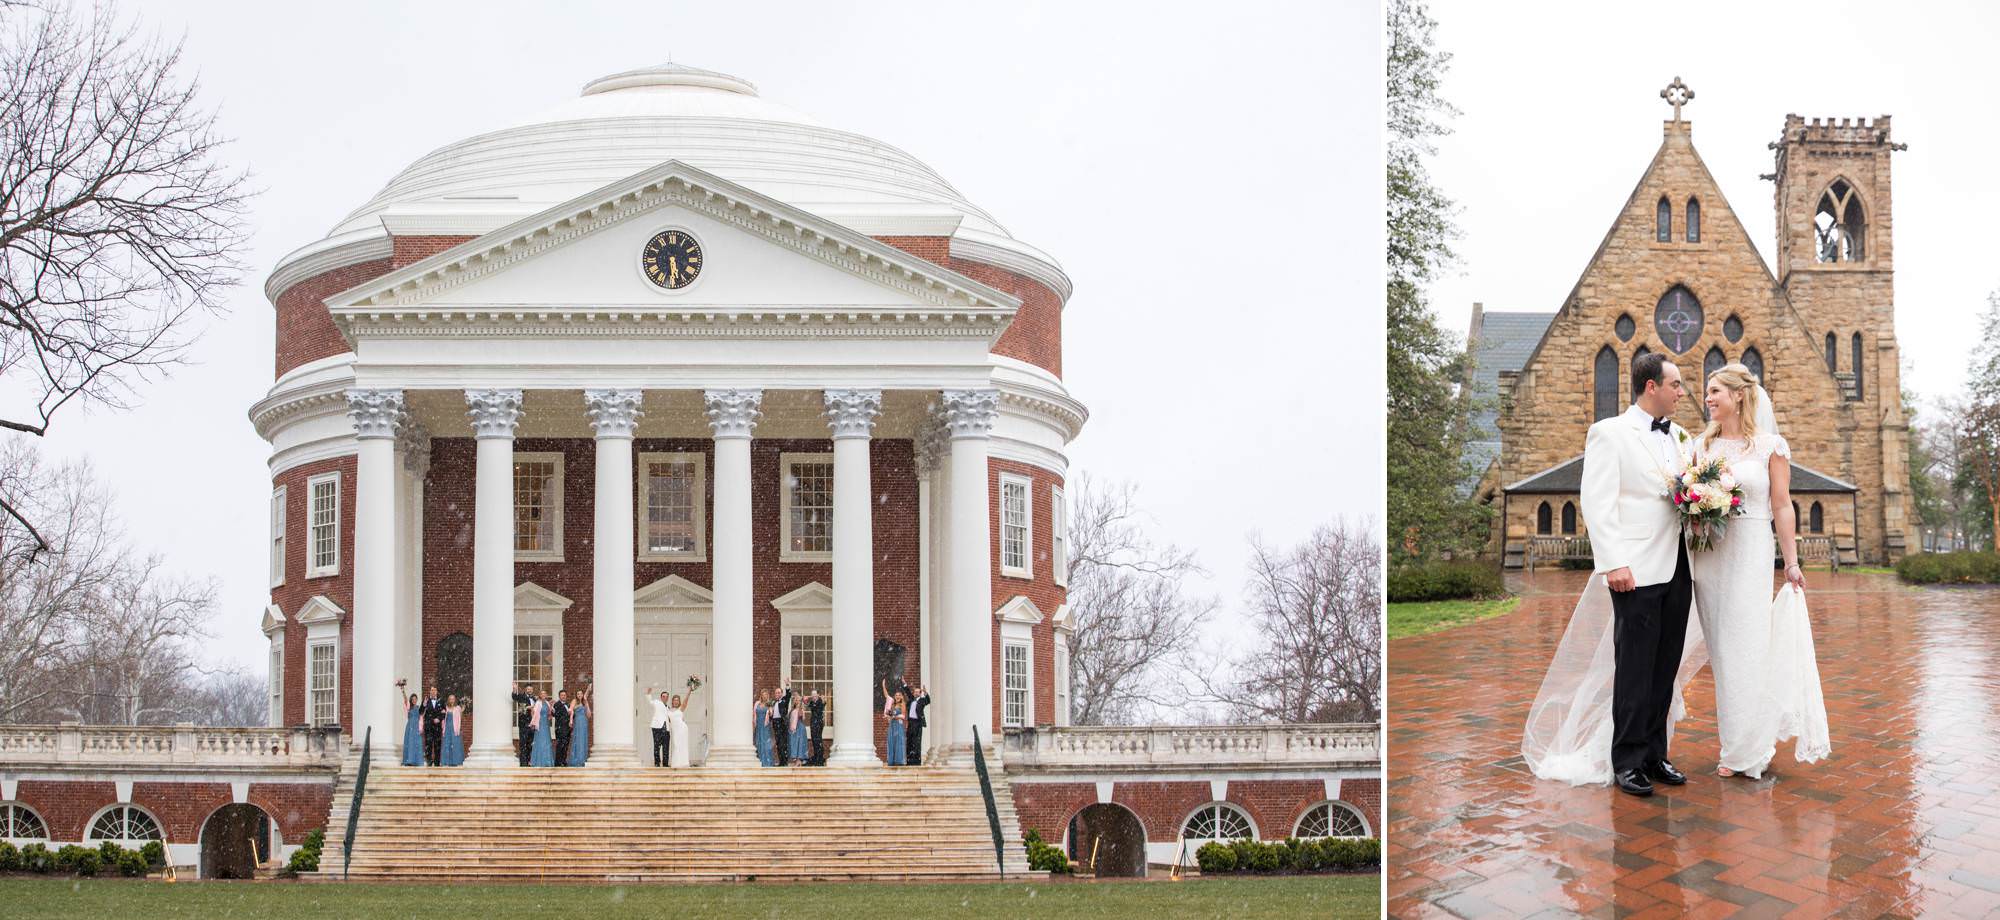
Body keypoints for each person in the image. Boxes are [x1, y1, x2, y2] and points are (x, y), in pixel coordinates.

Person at [1523, 353, 1699, 796]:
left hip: (1680, 566)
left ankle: (1657, 754)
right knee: (1635, 667)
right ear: (1650, 387)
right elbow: (1597, 502)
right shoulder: (1609, 434)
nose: (1682, 392)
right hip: (1635, 569)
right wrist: (1614, 562)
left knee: (1666, 666)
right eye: (1675, 384)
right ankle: (1628, 760)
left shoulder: (1681, 436)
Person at [1688, 365, 1829, 779]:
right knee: (1720, 651)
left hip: (1750, 551)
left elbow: (1782, 505)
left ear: (1738, 396)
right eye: (1707, 392)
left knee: (1744, 647)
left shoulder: (1771, 446)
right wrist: (1694, 510)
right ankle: (1735, 741)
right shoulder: (1701, 445)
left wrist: (1791, 562)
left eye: (1715, 391)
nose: (1708, 398)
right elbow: (1686, 497)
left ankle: (1745, 749)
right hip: (1710, 555)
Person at [666, 685, 696, 768]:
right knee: (676, 745)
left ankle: (683, 763)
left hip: (682, 729)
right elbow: (667, 720)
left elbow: (686, 701)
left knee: (682, 745)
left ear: (679, 701)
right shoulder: (668, 710)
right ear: (672, 701)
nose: (676, 701)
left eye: (677, 700)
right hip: (675, 730)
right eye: (674, 700)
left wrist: (689, 691)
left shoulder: (681, 708)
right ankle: (676, 763)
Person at [511, 683, 537, 767]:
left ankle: (529, 762)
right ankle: (523, 763)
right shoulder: (522, 696)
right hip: (524, 724)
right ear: (526, 689)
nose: (530, 690)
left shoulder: (534, 698)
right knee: (523, 744)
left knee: (530, 744)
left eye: (531, 689)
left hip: (532, 724)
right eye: (528, 689)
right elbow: (514, 697)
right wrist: (515, 689)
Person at [645, 687, 673, 767]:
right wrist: (648, 693)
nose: (665, 698)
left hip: (666, 728)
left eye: (667, 697)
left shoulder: (668, 708)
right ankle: (657, 763)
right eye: (663, 696)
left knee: (666, 747)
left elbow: (670, 718)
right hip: (657, 727)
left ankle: (665, 764)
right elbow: (650, 702)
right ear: (661, 697)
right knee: (657, 746)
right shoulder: (657, 702)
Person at [420, 685, 446, 767]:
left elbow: (444, 713)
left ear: (437, 691)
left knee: (437, 745)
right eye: (432, 690)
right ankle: (429, 762)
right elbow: (420, 712)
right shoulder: (426, 701)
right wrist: (424, 704)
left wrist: (439, 719)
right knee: (428, 744)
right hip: (428, 727)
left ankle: (437, 762)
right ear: (430, 691)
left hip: (437, 727)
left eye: (435, 690)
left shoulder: (441, 701)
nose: (433, 691)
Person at [528, 690, 555, 767]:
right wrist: (534, 722)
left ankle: (547, 761)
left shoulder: (547, 703)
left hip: (546, 724)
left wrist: (551, 707)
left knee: (546, 741)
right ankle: (539, 761)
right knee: (540, 741)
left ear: (546, 695)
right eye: (542, 693)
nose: (543, 695)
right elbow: (533, 713)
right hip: (539, 724)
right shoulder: (538, 703)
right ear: (540, 695)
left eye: (545, 693)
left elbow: (549, 715)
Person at [905, 684, 929, 766]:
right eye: (915, 692)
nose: (915, 693)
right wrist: (905, 684)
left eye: (917, 692)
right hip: (910, 722)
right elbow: (908, 692)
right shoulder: (912, 700)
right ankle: (909, 760)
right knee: (909, 740)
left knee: (917, 741)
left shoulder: (922, 700)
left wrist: (925, 693)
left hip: (918, 722)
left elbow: (928, 700)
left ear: (920, 693)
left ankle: (916, 760)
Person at [567, 688, 591, 767]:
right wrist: (571, 720)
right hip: (577, 722)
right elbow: (571, 711)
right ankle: (576, 759)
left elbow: (589, 715)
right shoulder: (574, 701)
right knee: (577, 739)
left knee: (583, 739)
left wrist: (587, 704)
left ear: (582, 694)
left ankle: (583, 759)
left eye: (580, 693)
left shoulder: (585, 702)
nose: (579, 695)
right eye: (578, 694)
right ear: (576, 695)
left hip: (584, 722)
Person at [400, 691, 424, 766]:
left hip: (417, 727)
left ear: (417, 700)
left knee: (417, 743)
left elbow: (421, 717)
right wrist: (403, 691)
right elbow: (405, 700)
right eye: (413, 699)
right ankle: (409, 760)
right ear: (411, 700)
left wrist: (421, 727)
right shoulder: (409, 707)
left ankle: (416, 760)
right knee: (410, 742)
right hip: (410, 726)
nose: (414, 700)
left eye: (415, 699)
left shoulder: (419, 707)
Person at [441, 694, 466, 767]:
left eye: (453, 699)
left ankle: (455, 761)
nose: (452, 700)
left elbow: (459, 717)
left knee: (455, 745)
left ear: (455, 700)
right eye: (450, 699)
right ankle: (447, 761)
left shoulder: (457, 708)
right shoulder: (445, 708)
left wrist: (462, 710)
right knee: (447, 745)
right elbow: (443, 719)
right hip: (447, 728)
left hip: (454, 728)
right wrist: (443, 728)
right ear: (448, 700)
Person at [884, 690, 907, 766]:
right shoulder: (892, 705)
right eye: (896, 695)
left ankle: (899, 760)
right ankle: (892, 760)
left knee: (898, 741)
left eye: (899, 695)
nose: (897, 696)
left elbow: (903, 716)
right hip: (892, 724)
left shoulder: (902, 704)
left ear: (901, 697)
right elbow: (887, 696)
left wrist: (895, 716)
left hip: (898, 724)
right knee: (892, 741)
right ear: (895, 696)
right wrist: (889, 716)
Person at [551, 690, 573, 767]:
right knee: (560, 746)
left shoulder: (568, 704)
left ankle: (563, 761)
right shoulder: (557, 704)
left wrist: (572, 715)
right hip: (560, 729)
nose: (563, 696)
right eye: (562, 695)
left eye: (564, 695)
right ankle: (558, 762)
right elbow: (554, 714)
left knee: (566, 746)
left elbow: (572, 716)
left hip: (567, 729)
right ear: (559, 696)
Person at [787, 690, 808, 765]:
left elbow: (801, 717)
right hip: (793, 728)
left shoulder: (801, 709)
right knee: (794, 743)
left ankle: (799, 760)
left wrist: (801, 705)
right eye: (796, 700)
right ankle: (796, 759)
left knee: (800, 743)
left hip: (800, 727)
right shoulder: (792, 710)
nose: (797, 701)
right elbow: (789, 719)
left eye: (798, 700)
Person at [754, 691, 774, 767]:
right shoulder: (757, 704)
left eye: (766, 695)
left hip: (765, 726)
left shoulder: (769, 704)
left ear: (767, 696)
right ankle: (760, 760)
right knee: (759, 742)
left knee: (766, 743)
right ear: (761, 696)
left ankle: (767, 762)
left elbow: (771, 714)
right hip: (758, 725)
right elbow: (754, 714)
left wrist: (770, 708)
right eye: (763, 695)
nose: (764, 696)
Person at [806, 690, 826, 766]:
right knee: (814, 740)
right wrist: (805, 701)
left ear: (818, 695)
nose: (814, 697)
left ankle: (820, 758)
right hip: (813, 723)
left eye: (815, 695)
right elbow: (808, 706)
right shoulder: (812, 703)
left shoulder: (820, 701)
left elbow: (822, 705)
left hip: (818, 723)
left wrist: (824, 701)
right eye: (812, 695)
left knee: (818, 740)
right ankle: (816, 756)